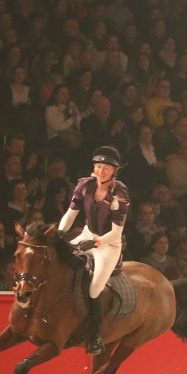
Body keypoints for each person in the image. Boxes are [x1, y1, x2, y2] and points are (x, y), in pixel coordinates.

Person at [57, 146, 130, 355]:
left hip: (108, 244)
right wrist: (60, 234)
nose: (100, 171)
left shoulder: (120, 193)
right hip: (88, 235)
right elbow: (71, 215)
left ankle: (96, 335)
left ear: (115, 171)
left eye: (106, 168)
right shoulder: (84, 185)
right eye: (98, 167)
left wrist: (94, 244)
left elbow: (116, 234)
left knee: (95, 288)